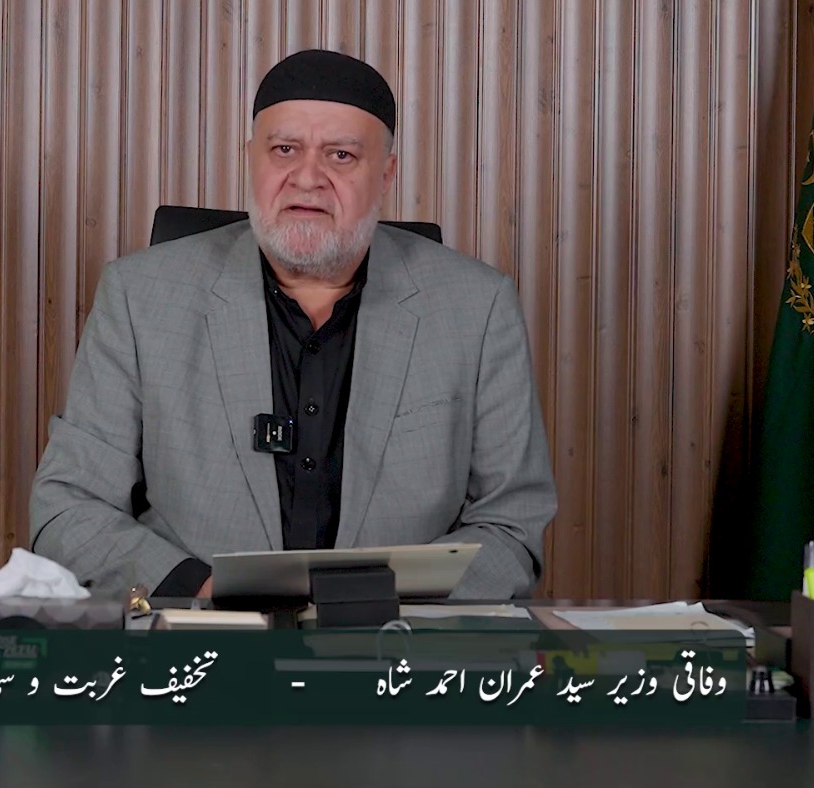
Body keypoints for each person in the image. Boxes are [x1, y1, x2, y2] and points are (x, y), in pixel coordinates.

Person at [29, 48, 557, 600]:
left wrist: (376, 607)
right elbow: (69, 505)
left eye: (341, 155)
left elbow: (512, 524)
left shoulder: (478, 307)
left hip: (397, 637)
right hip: (197, 632)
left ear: (386, 175)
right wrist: (205, 592)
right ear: (251, 160)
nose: (308, 178)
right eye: (285, 150)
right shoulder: (139, 296)